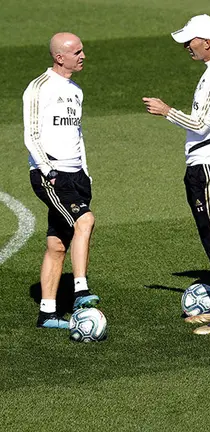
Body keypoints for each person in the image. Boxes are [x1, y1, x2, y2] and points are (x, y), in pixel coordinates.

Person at [142, 14, 210, 334]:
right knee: (209, 239)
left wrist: (165, 110)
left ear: (207, 41)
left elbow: (200, 125)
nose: (186, 45)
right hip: (201, 165)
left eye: (190, 40)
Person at [23, 32, 100, 329]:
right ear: (59, 57)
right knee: (85, 221)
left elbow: (77, 134)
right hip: (51, 176)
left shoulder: (76, 90)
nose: (83, 56)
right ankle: (81, 289)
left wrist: (86, 171)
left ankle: (48, 313)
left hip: (77, 175)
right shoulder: (38, 88)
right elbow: (30, 134)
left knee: (57, 244)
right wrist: (47, 169)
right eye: (77, 52)